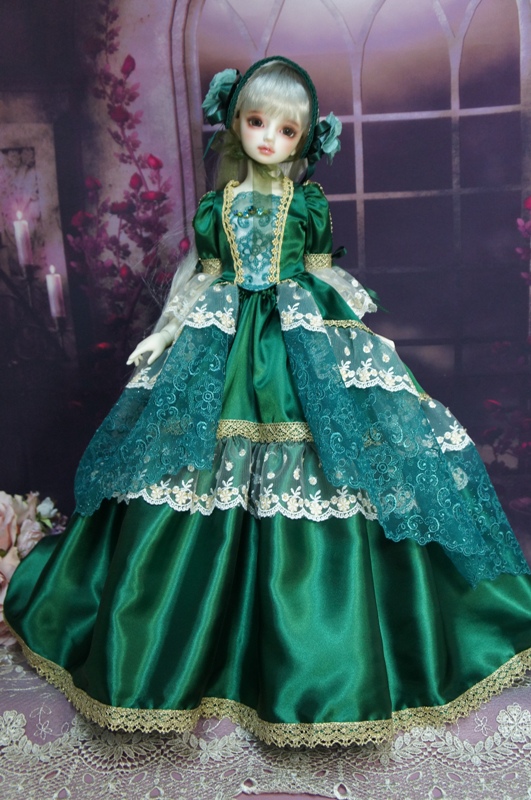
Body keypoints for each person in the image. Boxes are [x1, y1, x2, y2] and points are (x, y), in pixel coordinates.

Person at [5, 56, 531, 749]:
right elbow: (199, 278)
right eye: (257, 122)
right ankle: (198, 643)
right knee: (195, 471)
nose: (269, 139)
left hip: (298, 341)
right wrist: (163, 335)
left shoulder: (305, 205)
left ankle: (315, 658)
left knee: (326, 468)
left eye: (287, 131)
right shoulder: (217, 207)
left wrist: (356, 330)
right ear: (235, 123)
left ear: (303, 139)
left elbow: (322, 274)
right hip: (221, 340)